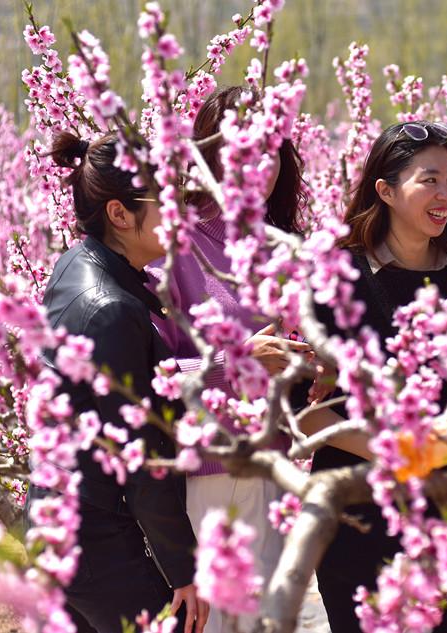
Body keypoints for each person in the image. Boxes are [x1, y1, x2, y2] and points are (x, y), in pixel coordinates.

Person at [298, 120, 447, 632]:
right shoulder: (336, 278)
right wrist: (400, 453)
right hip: (361, 514)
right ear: (385, 190)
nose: (446, 194)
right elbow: (301, 412)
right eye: (430, 180)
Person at [147, 86, 310, 633]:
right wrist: (234, 361)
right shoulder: (176, 245)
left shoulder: (285, 246)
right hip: (207, 472)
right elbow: (150, 375)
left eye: (272, 148)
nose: (260, 164)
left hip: (276, 463)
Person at [40, 132, 208, 633]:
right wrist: (184, 571)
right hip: (97, 540)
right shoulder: (113, 308)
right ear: (118, 213)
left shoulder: (76, 263)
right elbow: (140, 455)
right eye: (166, 201)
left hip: (63, 521)